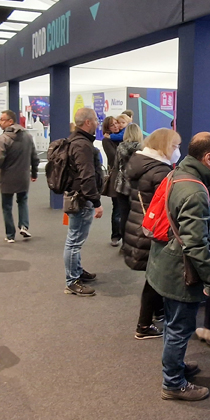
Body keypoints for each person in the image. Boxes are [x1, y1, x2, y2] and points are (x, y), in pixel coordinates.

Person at [148, 132, 210, 401]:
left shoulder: (177, 174)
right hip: (180, 271)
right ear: (208, 157)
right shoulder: (194, 190)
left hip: (164, 263)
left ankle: (175, 368)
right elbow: (196, 245)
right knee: (180, 328)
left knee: (173, 323)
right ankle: (173, 383)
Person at [123, 126, 179, 337]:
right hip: (153, 230)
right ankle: (143, 325)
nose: (177, 150)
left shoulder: (140, 164)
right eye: (175, 145)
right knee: (155, 278)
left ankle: (156, 312)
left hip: (140, 224)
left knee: (152, 275)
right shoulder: (161, 172)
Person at [63, 107, 105, 296]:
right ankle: (72, 281)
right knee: (74, 241)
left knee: (76, 238)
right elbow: (86, 176)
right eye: (95, 120)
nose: (97, 123)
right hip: (81, 198)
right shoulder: (83, 145)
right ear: (87, 122)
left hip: (77, 196)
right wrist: (96, 203)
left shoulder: (76, 141)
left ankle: (77, 271)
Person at [0, 109, 38, 244]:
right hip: (23, 176)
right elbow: (34, 157)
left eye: (2, 119)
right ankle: (24, 226)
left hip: (7, 177)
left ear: (10, 121)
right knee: (22, 201)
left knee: (7, 206)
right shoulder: (27, 136)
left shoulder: (3, 139)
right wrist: (34, 173)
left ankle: (10, 235)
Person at [110, 122, 142, 254]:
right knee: (137, 217)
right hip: (137, 186)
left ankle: (124, 244)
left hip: (122, 185)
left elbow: (116, 165)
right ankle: (136, 245)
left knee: (124, 214)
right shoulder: (142, 148)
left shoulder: (121, 147)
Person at [100, 115, 127, 246]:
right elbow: (114, 156)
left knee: (128, 209)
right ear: (107, 128)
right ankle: (115, 235)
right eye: (112, 125)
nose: (116, 126)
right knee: (117, 208)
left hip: (128, 176)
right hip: (116, 178)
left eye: (117, 123)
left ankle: (126, 236)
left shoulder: (124, 137)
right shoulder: (107, 141)